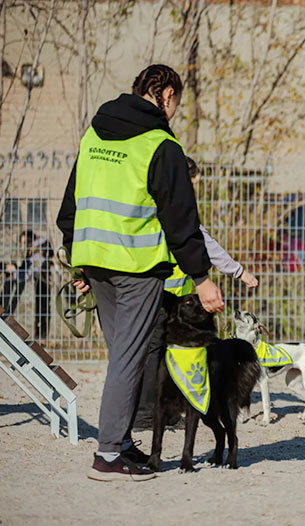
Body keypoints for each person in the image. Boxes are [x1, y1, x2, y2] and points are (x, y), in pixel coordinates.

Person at [56, 64, 225, 482]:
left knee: (123, 356)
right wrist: (202, 279)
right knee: (129, 358)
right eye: (176, 103)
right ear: (166, 94)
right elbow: (181, 219)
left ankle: (122, 442)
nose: (175, 111)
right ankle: (109, 455)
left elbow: (70, 205)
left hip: (94, 262)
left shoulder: (94, 134)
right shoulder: (160, 144)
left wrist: (77, 258)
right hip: (137, 266)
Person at [132, 156, 259, 430]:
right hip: (157, 293)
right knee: (154, 353)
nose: (192, 190)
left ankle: (167, 411)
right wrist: (238, 272)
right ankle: (147, 414)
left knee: (166, 353)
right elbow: (207, 245)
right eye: (191, 183)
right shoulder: (172, 208)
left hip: (171, 295)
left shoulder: (159, 204)